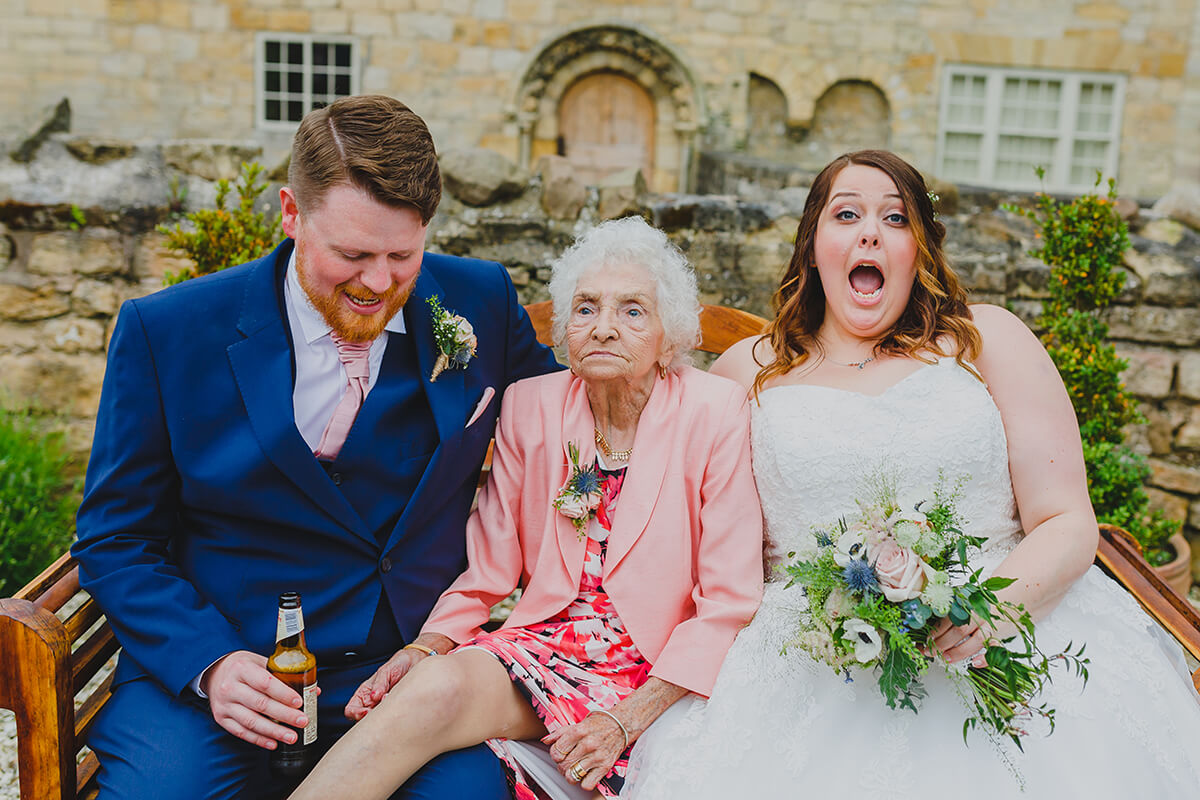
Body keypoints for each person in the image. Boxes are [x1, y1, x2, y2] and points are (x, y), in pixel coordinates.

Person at [621, 150, 1200, 799]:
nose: (870, 231)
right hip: (807, 664)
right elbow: (654, 499)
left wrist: (990, 611)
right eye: (847, 214)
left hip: (1008, 623)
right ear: (814, 246)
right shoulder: (743, 370)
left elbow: (1067, 521)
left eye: (894, 218)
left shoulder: (990, 341)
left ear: (918, 249)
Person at [72, 94, 560, 799]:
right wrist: (210, 663)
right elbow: (115, 538)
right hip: (224, 671)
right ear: (291, 214)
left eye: (403, 254)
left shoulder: (477, 299)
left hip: (407, 676)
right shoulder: (168, 332)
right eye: (352, 254)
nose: (378, 283)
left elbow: (576, 426)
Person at [286, 215, 765, 800]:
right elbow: (487, 573)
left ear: (671, 336)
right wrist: (423, 647)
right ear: (565, 330)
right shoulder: (530, 406)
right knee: (435, 687)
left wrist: (626, 720)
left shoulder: (714, 411)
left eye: (633, 311)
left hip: (653, 667)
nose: (605, 328)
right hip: (542, 647)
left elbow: (727, 602)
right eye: (586, 309)